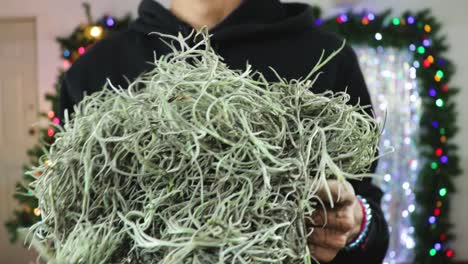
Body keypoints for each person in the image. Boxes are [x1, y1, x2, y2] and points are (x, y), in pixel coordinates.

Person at [58, 0, 389, 263]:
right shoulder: (94, 73)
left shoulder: (328, 58)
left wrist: (355, 224)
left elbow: (369, 219)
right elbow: (72, 227)